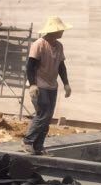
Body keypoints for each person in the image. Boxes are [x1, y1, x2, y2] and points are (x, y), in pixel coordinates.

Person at [23, 16, 72, 155]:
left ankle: (38, 146)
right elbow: (30, 66)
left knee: (48, 117)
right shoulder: (39, 44)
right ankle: (27, 141)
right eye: (60, 29)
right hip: (39, 85)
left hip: (52, 86)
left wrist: (66, 83)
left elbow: (61, 66)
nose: (62, 32)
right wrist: (32, 85)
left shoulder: (59, 46)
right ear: (53, 31)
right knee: (43, 114)